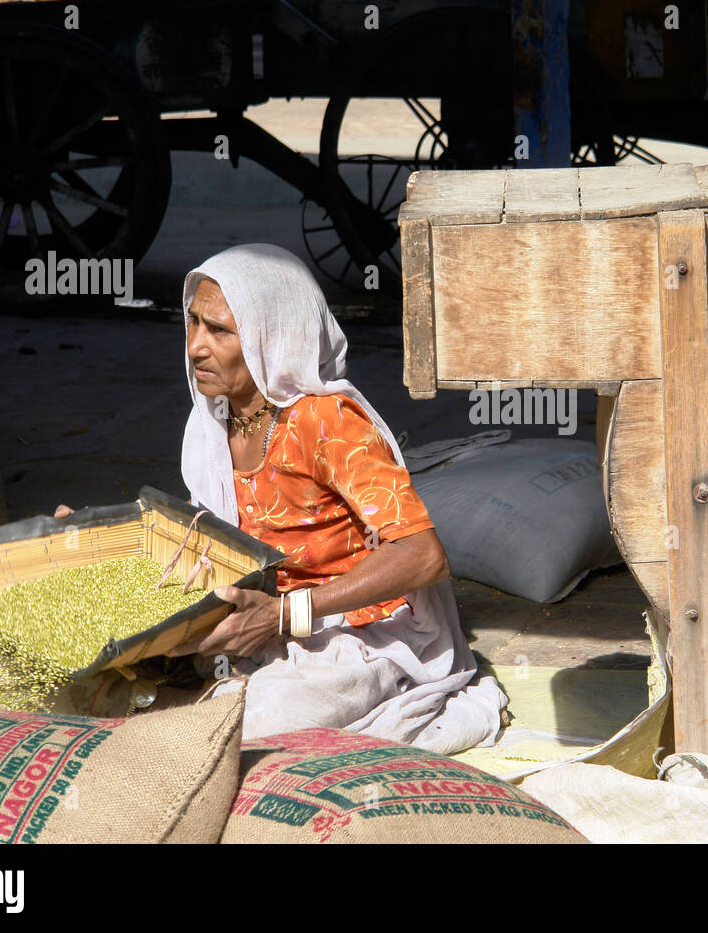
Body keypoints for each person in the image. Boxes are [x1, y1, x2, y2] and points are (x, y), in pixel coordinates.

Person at [57, 243, 507, 753]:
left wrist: (285, 615)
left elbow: (423, 556)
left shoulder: (326, 422)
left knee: (242, 727)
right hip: (265, 611)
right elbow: (211, 538)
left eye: (219, 330)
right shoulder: (214, 418)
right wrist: (105, 539)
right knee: (77, 654)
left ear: (274, 339)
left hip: (360, 633)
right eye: (192, 322)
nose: (195, 347)